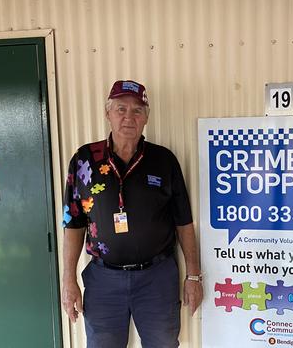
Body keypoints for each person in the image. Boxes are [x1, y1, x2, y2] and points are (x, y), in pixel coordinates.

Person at [61, 80, 203, 348]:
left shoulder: (164, 161)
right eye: (121, 109)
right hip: (103, 281)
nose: (129, 117)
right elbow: (73, 223)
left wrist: (193, 276)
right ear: (108, 113)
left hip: (157, 279)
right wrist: (68, 281)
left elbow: (184, 222)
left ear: (146, 117)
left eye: (137, 110)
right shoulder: (85, 160)